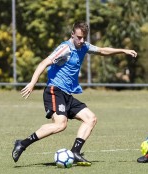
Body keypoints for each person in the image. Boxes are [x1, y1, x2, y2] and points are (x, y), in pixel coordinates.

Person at [12, 21, 137, 166]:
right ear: (72, 34)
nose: (81, 41)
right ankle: (22, 143)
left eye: (84, 37)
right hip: (54, 90)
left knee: (91, 118)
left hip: (67, 95)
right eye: (79, 37)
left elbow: (102, 50)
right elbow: (43, 63)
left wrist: (123, 50)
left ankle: (75, 152)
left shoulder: (84, 46)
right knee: (60, 124)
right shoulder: (65, 48)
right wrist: (32, 83)